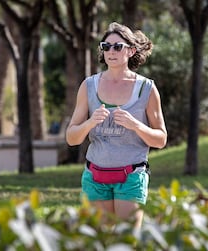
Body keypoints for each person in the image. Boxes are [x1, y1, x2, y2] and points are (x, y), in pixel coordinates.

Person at [65, 22, 167, 223]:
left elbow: (161, 139)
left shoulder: (146, 89)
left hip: (131, 176)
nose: (111, 51)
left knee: (126, 240)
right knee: (101, 241)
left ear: (131, 51)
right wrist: (89, 123)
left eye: (117, 47)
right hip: (95, 176)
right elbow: (71, 138)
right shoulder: (88, 86)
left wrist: (136, 125)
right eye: (106, 46)